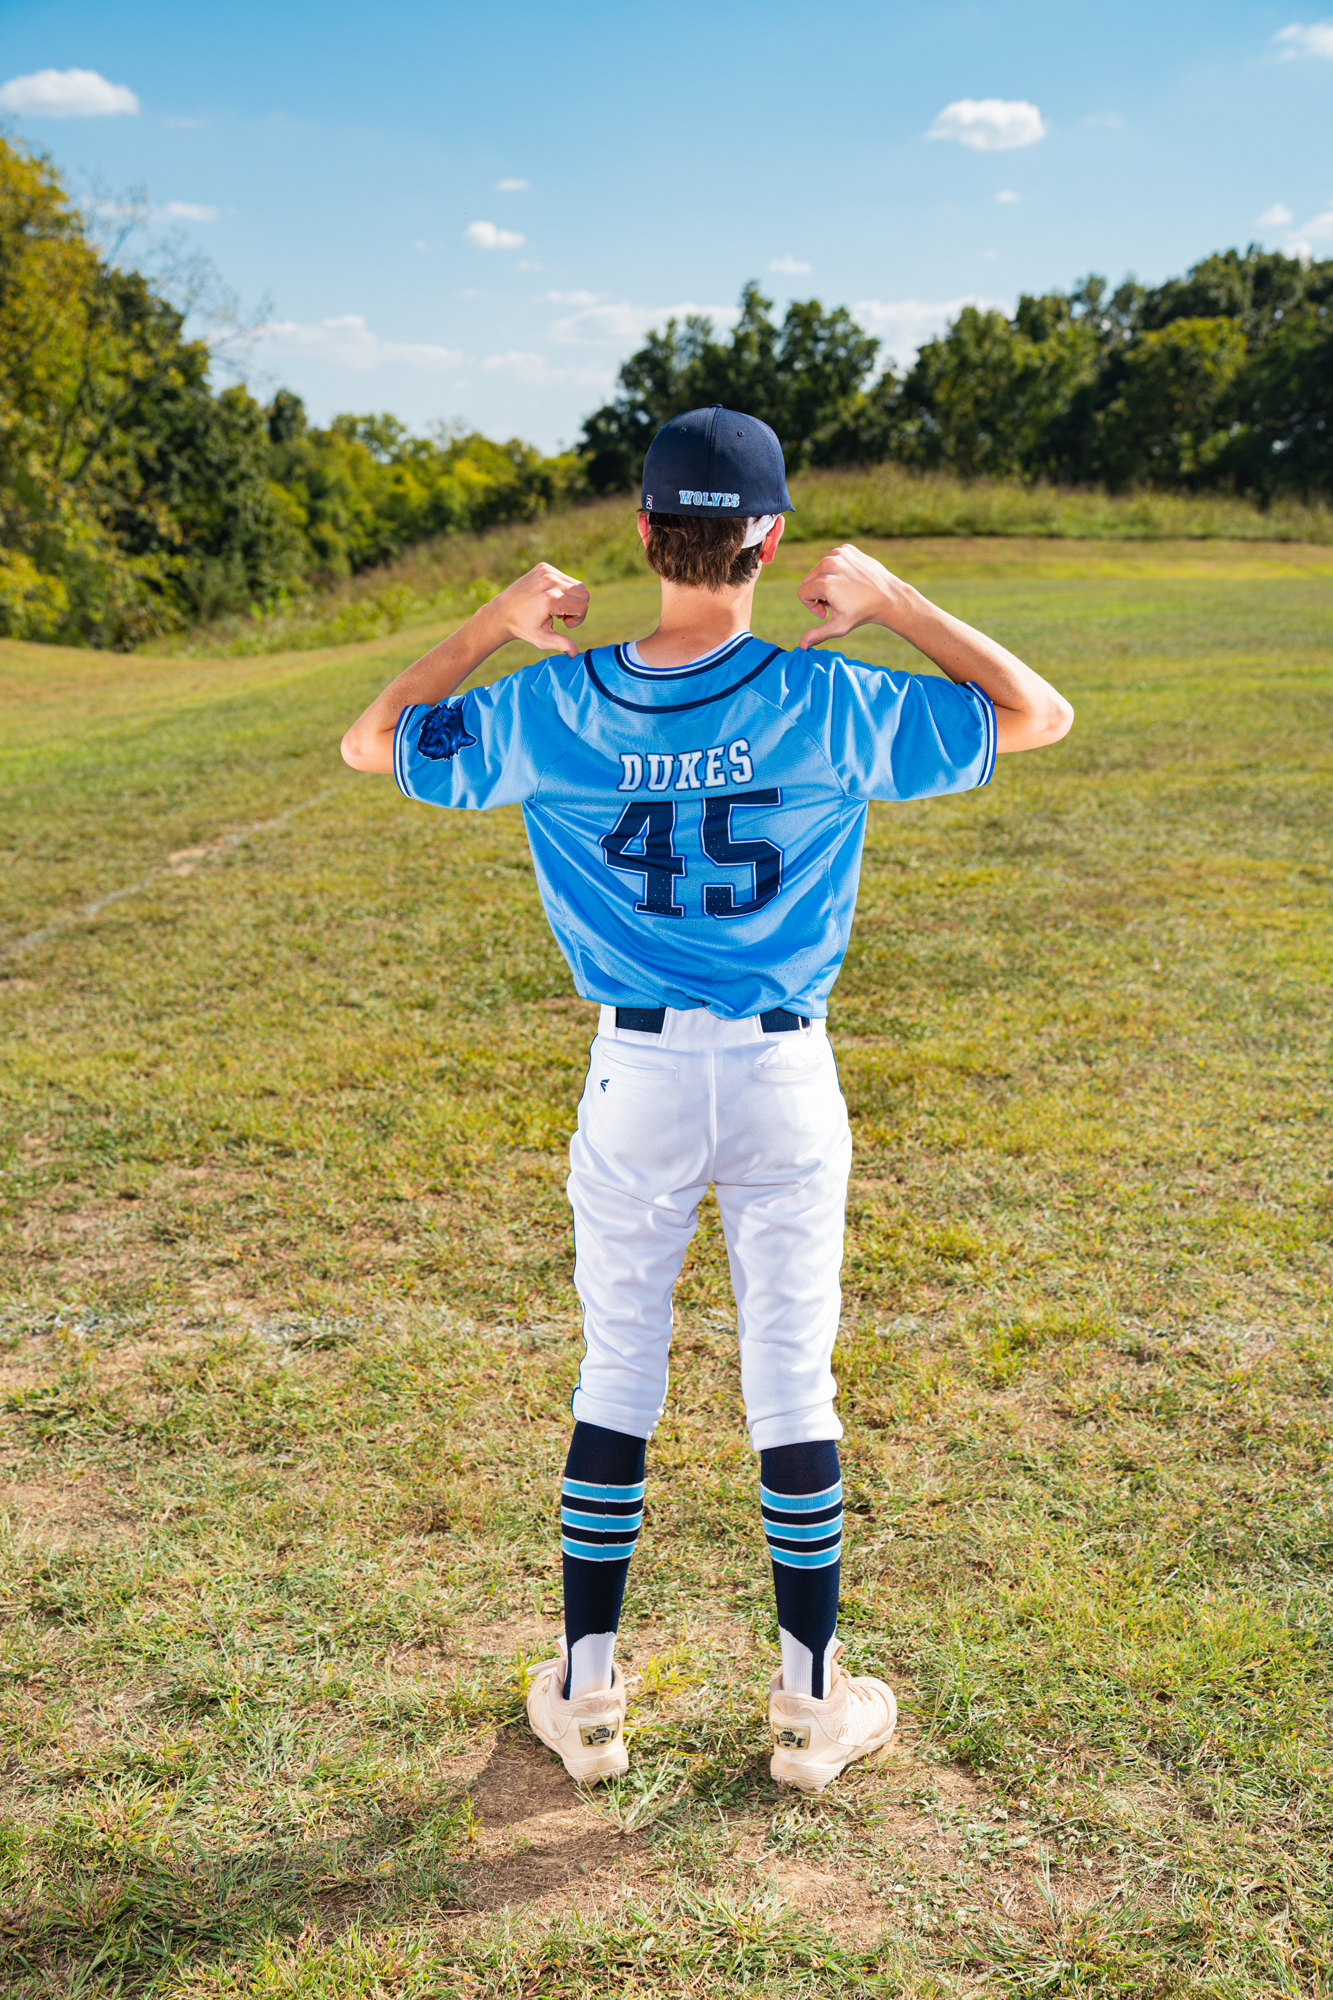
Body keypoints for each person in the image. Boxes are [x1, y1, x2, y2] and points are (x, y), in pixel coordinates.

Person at [341, 406, 1073, 1793]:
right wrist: (893, 600)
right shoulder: (824, 696)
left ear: (643, 535)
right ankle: (809, 1705)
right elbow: (1039, 714)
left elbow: (372, 743)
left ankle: (590, 1697)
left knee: (618, 1371)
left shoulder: (558, 704)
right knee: (791, 1381)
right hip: (786, 1069)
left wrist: (496, 622)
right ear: (769, 540)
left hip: (636, 1075)